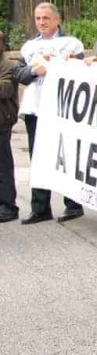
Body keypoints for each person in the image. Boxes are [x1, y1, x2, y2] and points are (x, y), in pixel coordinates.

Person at [14, 2, 85, 224]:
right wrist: (36, 70)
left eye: (46, 18)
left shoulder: (72, 44)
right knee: (38, 158)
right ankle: (40, 208)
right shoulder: (28, 47)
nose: (42, 22)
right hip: (36, 109)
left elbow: (80, 72)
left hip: (63, 109)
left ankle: (73, 205)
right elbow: (19, 74)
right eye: (38, 18)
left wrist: (57, 67)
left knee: (67, 155)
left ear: (57, 19)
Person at [0, 30, 19, 223]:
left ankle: (8, 205)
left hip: (2, 122)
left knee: (3, 166)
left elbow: (6, 89)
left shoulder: (8, 66)